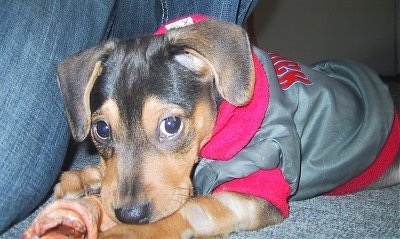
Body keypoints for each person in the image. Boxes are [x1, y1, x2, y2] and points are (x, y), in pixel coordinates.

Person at [0, 0, 258, 234]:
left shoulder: (260, 133)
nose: (130, 203)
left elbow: (263, 206)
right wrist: (99, 173)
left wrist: (167, 229)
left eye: (170, 124)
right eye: (103, 130)